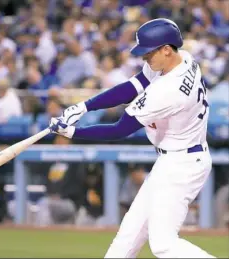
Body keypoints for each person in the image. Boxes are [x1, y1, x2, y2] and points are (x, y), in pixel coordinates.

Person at [49, 18, 215, 258]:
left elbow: (119, 130)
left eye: (148, 54)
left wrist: (74, 133)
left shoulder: (169, 90)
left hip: (183, 165)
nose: (144, 59)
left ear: (166, 50)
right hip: (175, 159)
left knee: (163, 243)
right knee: (126, 240)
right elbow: (134, 85)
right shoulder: (183, 58)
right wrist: (85, 107)